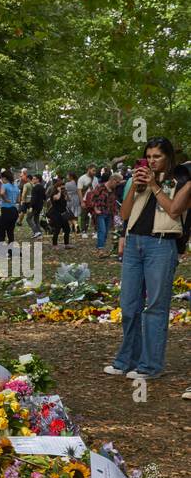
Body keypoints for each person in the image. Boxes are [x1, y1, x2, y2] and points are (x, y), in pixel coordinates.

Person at [101, 138, 191, 385]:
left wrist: (154, 185)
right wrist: (134, 187)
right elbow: (124, 214)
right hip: (134, 243)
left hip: (161, 246)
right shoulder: (140, 181)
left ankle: (151, 365)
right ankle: (127, 359)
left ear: (168, 158)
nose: (152, 161)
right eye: (148, 156)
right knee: (129, 305)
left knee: (154, 307)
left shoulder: (181, 181)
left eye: (157, 157)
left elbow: (173, 211)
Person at [84, 172, 117, 256]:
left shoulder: (113, 189)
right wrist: (95, 209)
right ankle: (100, 249)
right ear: (112, 180)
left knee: (105, 232)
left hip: (109, 212)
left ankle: (101, 248)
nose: (117, 184)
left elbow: (113, 201)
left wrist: (114, 211)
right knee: (102, 230)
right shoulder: (100, 187)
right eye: (117, 182)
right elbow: (92, 198)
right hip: (100, 212)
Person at [45, 180, 72, 246]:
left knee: (67, 229)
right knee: (57, 229)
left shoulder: (63, 194)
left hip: (63, 214)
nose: (63, 189)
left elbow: (69, 199)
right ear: (57, 187)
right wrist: (59, 191)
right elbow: (57, 198)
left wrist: (66, 193)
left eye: (63, 187)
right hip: (56, 214)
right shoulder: (53, 194)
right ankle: (54, 244)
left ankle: (67, 244)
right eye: (61, 187)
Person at [77, 164, 96, 236]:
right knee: (84, 216)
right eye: (93, 170)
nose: (94, 172)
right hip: (84, 200)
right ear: (89, 169)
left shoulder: (96, 179)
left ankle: (96, 231)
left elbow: (97, 190)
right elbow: (79, 190)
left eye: (95, 171)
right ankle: (84, 231)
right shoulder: (82, 178)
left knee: (95, 216)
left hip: (93, 200)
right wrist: (82, 202)